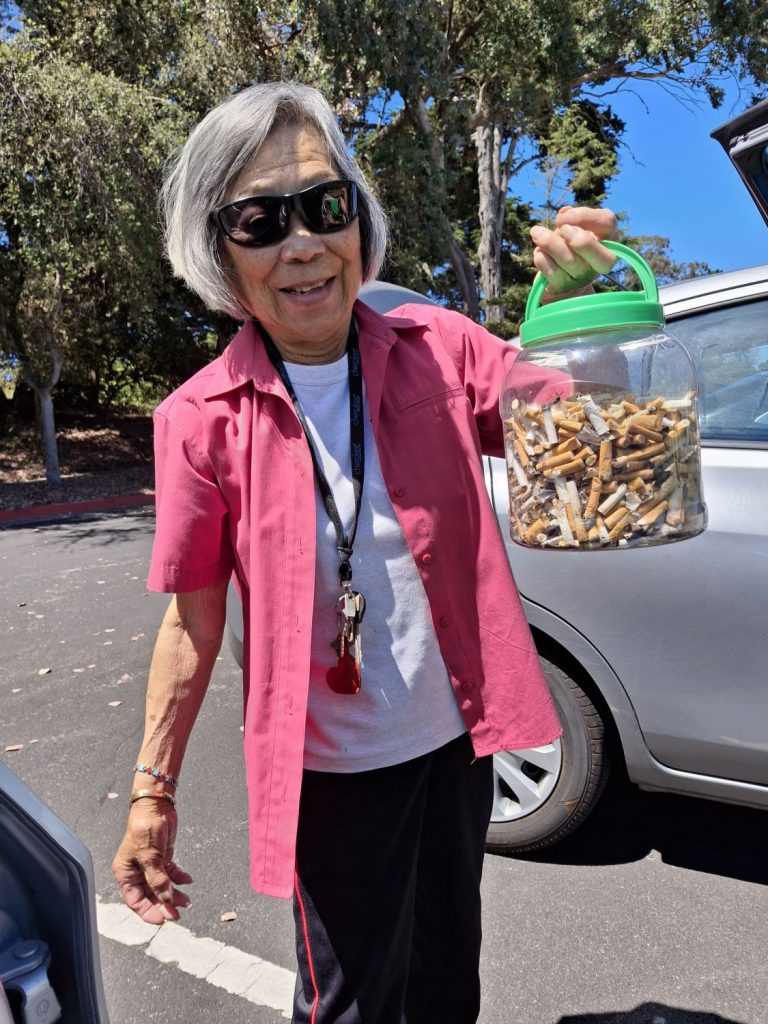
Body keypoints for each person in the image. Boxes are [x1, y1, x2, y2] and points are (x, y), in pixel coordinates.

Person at [112, 81, 618, 1024]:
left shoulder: (442, 346)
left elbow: (581, 432)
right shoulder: (197, 422)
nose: (301, 242)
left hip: (457, 746)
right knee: (349, 1005)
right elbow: (192, 619)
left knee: (444, 980)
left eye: (323, 205)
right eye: (258, 221)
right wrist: (153, 793)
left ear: (358, 217)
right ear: (220, 254)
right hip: (333, 774)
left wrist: (582, 316)